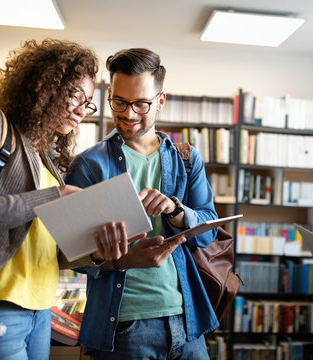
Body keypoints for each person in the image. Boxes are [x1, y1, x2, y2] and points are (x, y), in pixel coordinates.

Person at [0, 39, 136, 360]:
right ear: (44, 86)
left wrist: (97, 253)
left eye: (88, 103)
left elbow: (49, 252)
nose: (81, 110)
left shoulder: (45, 156)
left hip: (40, 312)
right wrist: (55, 195)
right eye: (75, 95)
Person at [64, 48, 218, 359]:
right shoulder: (89, 166)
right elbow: (71, 255)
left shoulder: (187, 159)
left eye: (141, 104)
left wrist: (176, 211)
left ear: (160, 101)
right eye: (119, 101)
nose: (129, 113)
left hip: (187, 321)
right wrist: (121, 259)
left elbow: (208, 232)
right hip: (123, 327)